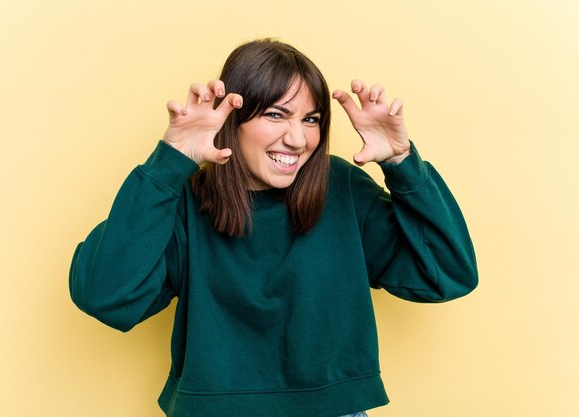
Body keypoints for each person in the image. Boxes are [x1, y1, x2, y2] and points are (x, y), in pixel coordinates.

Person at [69, 38, 478, 417]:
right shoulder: (185, 202)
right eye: (275, 115)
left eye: (312, 119)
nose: (298, 139)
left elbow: (447, 274)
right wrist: (170, 161)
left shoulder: (343, 188)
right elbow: (105, 295)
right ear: (234, 119)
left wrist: (402, 162)